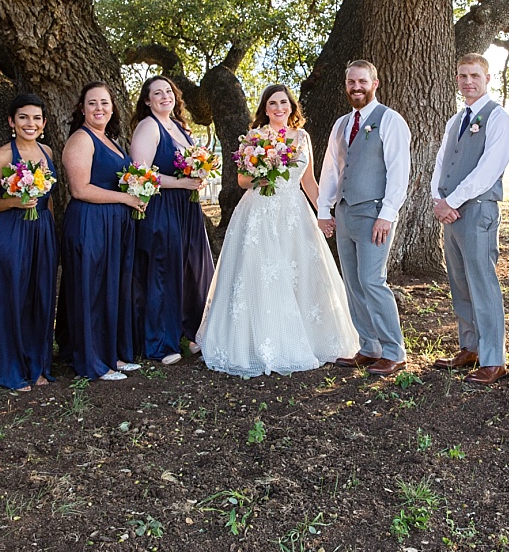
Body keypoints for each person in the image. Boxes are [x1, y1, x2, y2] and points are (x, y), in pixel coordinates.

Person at [197, 84, 358, 377]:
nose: (279, 108)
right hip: (260, 210)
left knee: (300, 272)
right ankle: (263, 341)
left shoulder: (303, 137)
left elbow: (307, 181)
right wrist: (265, 171)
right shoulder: (254, 137)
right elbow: (243, 181)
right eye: (272, 103)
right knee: (261, 271)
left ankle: (309, 338)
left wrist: (324, 213)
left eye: (284, 102)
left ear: (291, 106)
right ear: (265, 108)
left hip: (294, 211)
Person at [317, 60, 413, 377]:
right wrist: (324, 210)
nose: (356, 87)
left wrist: (387, 215)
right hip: (345, 212)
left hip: (375, 214)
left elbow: (400, 172)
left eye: (362, 81)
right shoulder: (342, 124)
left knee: (373, 280)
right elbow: (331, 170)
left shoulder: (390, 120)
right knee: (354, 282)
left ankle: (393, 351)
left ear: (375, 83)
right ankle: (369, 346)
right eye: (350, 82)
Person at [431, 53, 509, 385]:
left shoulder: (498, 118)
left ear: (487, 79)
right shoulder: (456, 120)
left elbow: (488, 170)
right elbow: (440, 163)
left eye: (474, 76)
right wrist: (438, 200)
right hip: (449, 213)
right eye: (463, 76)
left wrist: (450, 201)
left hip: (477, 209)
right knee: (460, 282)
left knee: (482, 282)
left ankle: (494, 358)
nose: (468, 81)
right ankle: (470, 347)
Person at [57, 82, 146, 381]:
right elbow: (80, 189)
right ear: (82, 108)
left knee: (113, 289)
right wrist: (126, 198)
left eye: (105, 103)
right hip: (89, 223)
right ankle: (93, 362)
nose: (99, 108)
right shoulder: (81, 140)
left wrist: (138, 194)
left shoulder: (110, 139)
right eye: (92, 103)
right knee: (91, 290)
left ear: (113, 108)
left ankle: (113, 355)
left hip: (115, 224)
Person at [0, 94, 58, 391]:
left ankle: (36, 366)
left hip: (42, 232)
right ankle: (9, 370)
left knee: (39, 297)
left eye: (36, 118)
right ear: (12, 121)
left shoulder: (47, 152)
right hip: (10, 233)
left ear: (44, 123)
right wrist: (13, 202)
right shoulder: (1, 157)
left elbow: (48, 201)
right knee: (11, 296)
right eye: (23, 117)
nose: (30, 123)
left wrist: (49, 233)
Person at [129, 75, 216, 365]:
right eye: (157, 93)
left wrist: (198, 177)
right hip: (162, 209)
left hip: (187, 209)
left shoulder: (180, 127)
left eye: (168, 91)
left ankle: (193, 333)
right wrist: (182, 184)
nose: (165, 96)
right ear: (147, 100)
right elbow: (141, 174)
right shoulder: (148, 127)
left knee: (193, 268)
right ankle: (160, 343)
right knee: (164, 272)